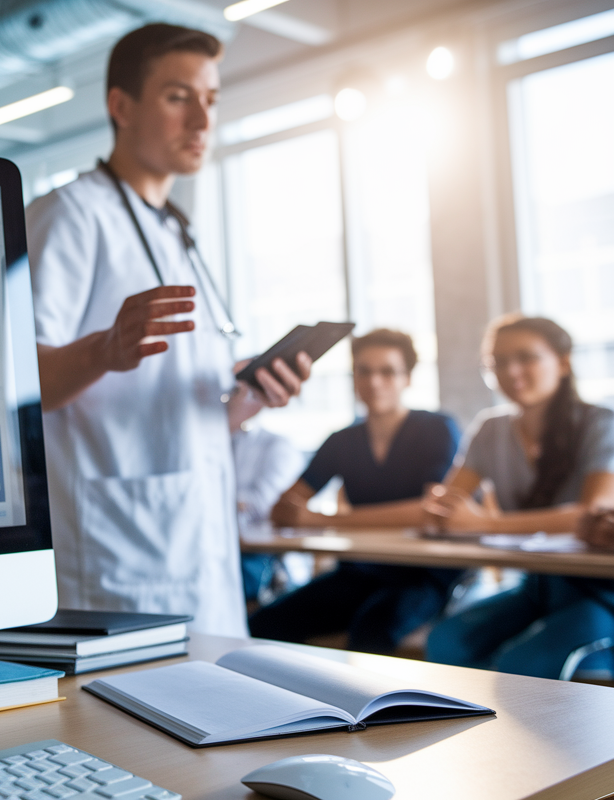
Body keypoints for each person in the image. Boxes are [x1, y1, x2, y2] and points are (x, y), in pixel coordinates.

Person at [27, 24, 310, 635]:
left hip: (200, 543)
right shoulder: (70, 216)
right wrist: (106, 349)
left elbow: (187, 414)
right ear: (121, 106)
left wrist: (251, 396)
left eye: (210, 99)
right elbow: (21, 387)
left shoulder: (177, 232)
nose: (202, 120)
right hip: (119, 549)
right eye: (179, 97)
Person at [247, 330, 461, 653]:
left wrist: (320, 521)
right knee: (265, 624)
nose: (374, 382)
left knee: (371, 631)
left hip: (422, 575)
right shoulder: (342, 440)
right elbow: (283, 509)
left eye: (387, 371)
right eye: (364, 371)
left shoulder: (437, 429)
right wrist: (299, 513)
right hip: (361, 570)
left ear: (408, 378)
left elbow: (428, 511)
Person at [424, 316, 614, 678]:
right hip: (537, 586)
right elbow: (447, 504)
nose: (512, 371)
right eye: (498, 362)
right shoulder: (490, 429)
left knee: (522, 664)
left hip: (601, 592)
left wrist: (483, 523)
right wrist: (445, 510)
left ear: (563, 361)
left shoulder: (601, 423)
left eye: (526, 357)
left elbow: (591, 511)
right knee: (445, 642)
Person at [230, 411, 304, 602]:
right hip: (222, 548)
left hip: (259, 555)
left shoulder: (278, 446)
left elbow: (265, 506)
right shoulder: (208, 446)